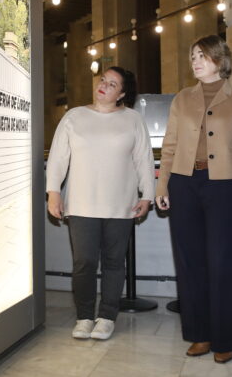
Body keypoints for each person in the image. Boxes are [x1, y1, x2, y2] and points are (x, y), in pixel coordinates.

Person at [155, 35, 232, 364]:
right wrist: (162, 186)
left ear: (219, 58)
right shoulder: (182, 100)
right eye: (192, 57)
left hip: (225, 187)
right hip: (185, 184)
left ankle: (226, 338)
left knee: (224, 262)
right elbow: (169, 146)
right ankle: (198, 333)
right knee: (189, 262)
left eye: (202, 56)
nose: (195, 62)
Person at [47, 66, 155, 341]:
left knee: (113, 263)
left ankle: (107, 317)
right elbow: (59, 158)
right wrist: (54, 192)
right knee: (83, 262)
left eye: (112, 83)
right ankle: (84, 316)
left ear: (122, 94)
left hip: (121, 204)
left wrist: (147, 194)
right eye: (103, 79)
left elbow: (143, 159)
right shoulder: (74, 117)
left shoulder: (132, 119)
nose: (104, 85)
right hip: (82, 203)